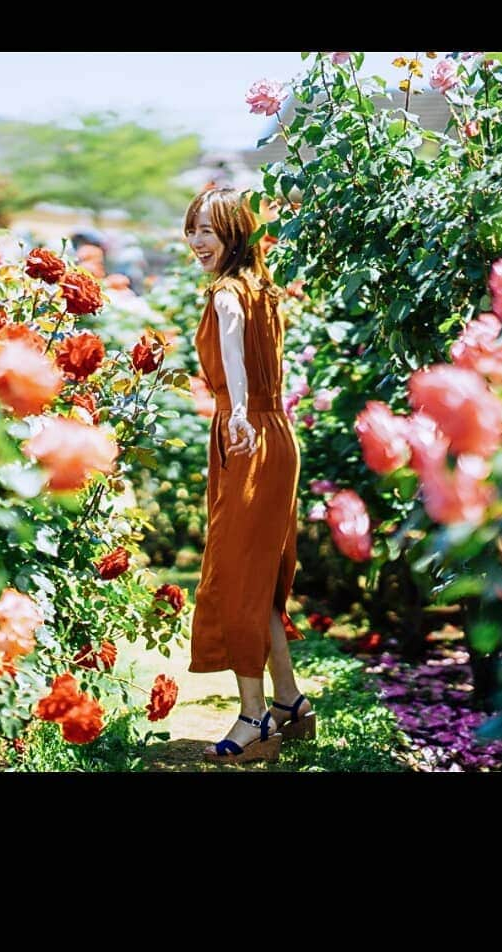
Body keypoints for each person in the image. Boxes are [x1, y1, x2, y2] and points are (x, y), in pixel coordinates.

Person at [183, 187, 317, 764]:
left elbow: (233, 354)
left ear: (235, 233)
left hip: (248, 435)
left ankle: (254, 718)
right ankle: (289, 705)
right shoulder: (264, 290)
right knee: (259, 576)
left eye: (207, 231)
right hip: (275, 434)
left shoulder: (228, 296)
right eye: (191, 230)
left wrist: (236, 412)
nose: (196, 242)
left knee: (238, 576)